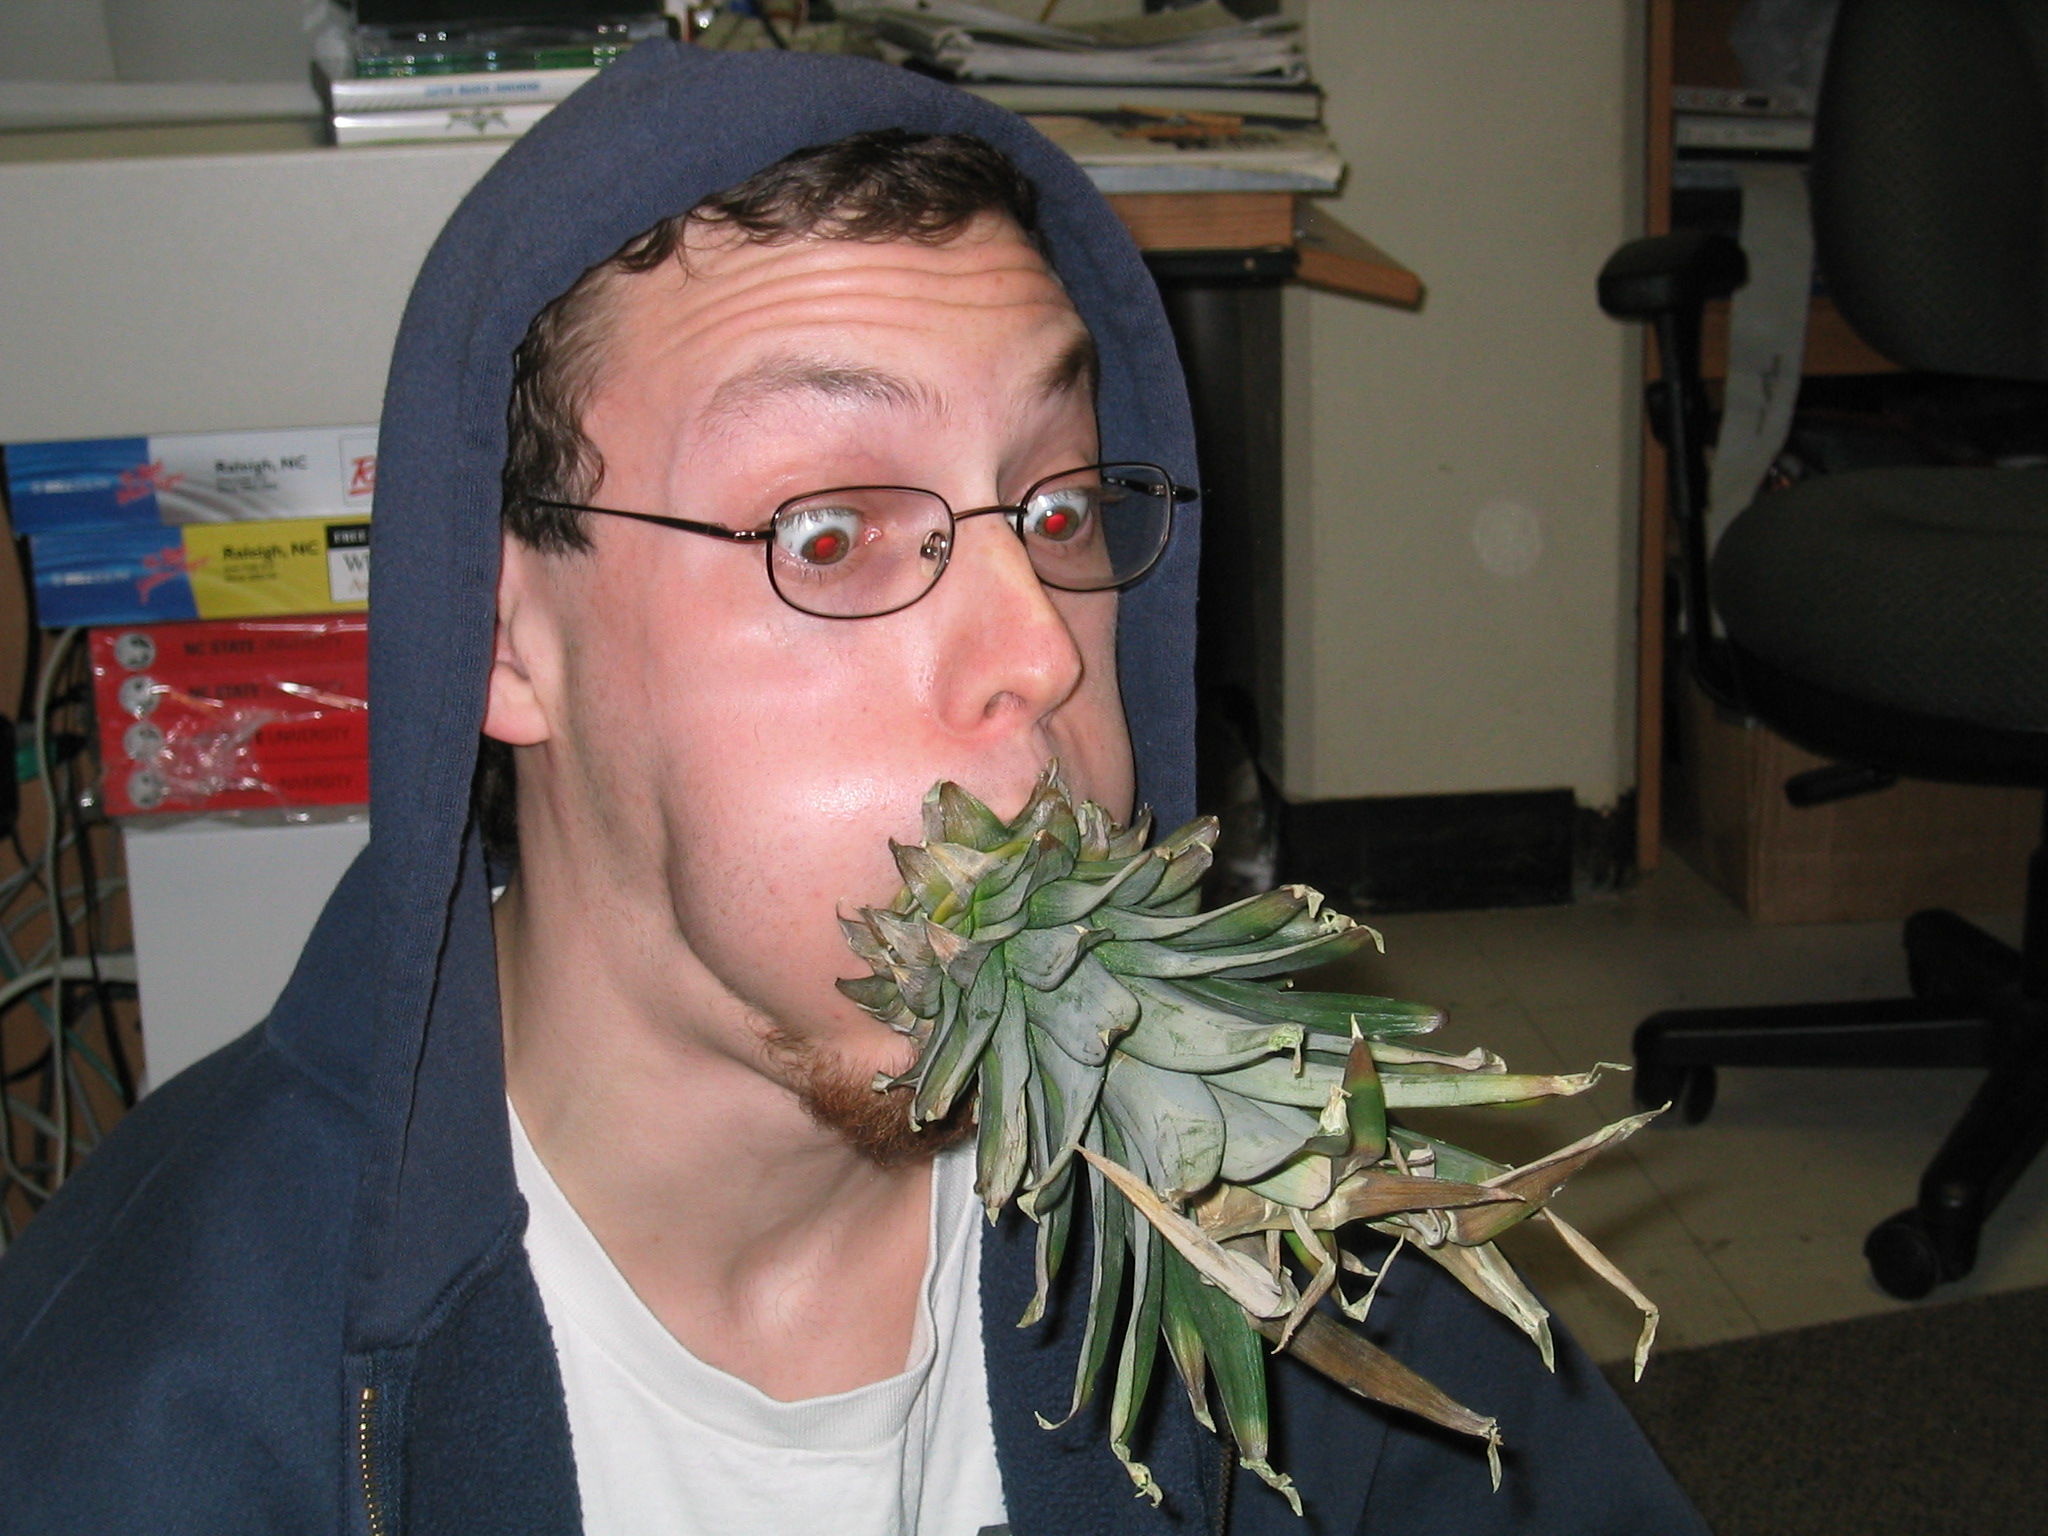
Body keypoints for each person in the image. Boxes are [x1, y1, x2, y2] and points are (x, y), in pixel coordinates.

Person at [0, 45, 1706, 1535]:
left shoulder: (1276, 1214)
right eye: (829, 534)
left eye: (1058, 510)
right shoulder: (147, 1425)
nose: (1038, 650)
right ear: (501, 634)